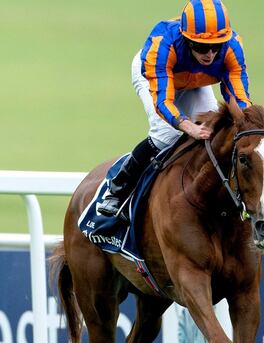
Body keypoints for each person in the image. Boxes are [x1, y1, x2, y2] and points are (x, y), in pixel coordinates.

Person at [97, 0, 252, 217]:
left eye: (216, 46)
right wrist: (188, 126)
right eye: (201, 47)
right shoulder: (163, 45)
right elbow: (163, 102)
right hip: (155, 76)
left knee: (215, 131)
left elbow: (240, 100)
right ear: (187, 40)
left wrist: (248, 128)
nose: (209, 54)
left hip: (197, 81)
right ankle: (118, 188)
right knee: (166, 134)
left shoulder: (232, 48)